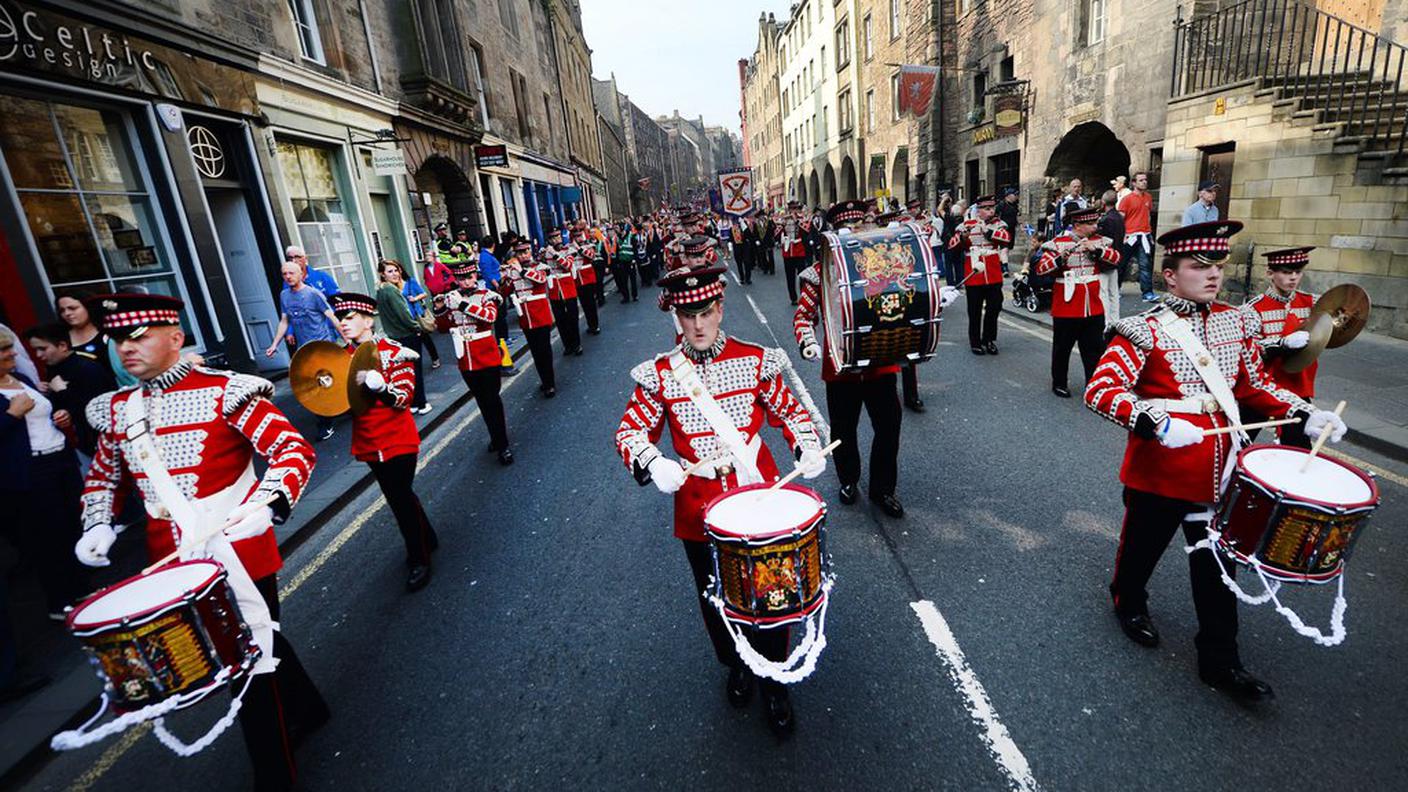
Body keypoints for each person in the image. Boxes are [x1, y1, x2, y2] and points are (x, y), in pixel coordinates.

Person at [1084, 221, 1347, 702]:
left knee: (1217, 572)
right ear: (1169, 276)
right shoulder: (1141, 330)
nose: (1212, 276)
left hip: (1220, 472)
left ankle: (1220, 661)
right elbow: (1101, 392)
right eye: (1198, 267)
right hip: (1162, 471)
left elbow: (1252, 386)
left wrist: (1306, 413)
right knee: (1141, 551)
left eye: (1218, 266)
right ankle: (1128, 602)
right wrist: (1154, 422)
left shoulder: (1236, 321)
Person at [74, 293, 329, 789]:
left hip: (237, 546)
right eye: (116, 340)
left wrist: (266, 504)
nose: (125, 348)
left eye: (138, 336)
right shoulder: (116, 411)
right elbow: (104, 478)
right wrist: (97, 522)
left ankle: (274, 776)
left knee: (249, 661)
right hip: (172, 558)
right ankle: (310, 708)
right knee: (258, 640)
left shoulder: (225, 390)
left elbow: (290, 449)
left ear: (175, 337)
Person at [615, 256, 825, 738]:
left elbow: (791, 413)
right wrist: (653, 461)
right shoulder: (662, 374)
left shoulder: (753, 359)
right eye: (688, 315)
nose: (698, 323)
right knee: (714, 596)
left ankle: (774, 680)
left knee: (771, 592)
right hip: (698, 507)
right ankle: (734, 662)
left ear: (720, 307)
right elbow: (629, 433)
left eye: (706, 311)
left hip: (758, 497)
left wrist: (807, 446)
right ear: (676, 316)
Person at [795, 201, 956, 518]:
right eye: (850, 228)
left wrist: (936, 302)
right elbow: (803, 316)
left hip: (881, 361)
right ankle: (848, 480)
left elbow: (912, 300)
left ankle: (883, 489)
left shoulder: (889, 263)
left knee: (888, 427)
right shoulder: (818, 273)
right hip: (840, 366)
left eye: (862, 226)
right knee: (843, 430)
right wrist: (808, 342)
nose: (859, 232)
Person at [329, 293, 439, 591]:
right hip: (368, 441)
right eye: (341, 318)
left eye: (349, 318)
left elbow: (404, 397)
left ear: (367, 320)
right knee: (398, 495)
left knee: (400, 497)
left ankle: (420, 558)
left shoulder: (392, 351)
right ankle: (427, 537)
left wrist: (381, 387)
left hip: (396, 438)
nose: (343, 323)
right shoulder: (341, 359)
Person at [1, 327, 90, 619]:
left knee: (73, 525)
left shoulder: (23, 379)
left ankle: (82, 590)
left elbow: (42, 417)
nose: (13, 353)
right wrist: (11, 415)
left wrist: (59, 417)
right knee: (47, 537)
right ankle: (59, 600)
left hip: (59, 460)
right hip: (31, 470)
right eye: (4, 350)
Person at [1034, 206, 1122, 398]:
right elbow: (1041, 269)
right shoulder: (1058, 243)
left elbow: (1116, 259)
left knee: (1094, 349)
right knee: (1062, 348)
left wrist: (1096, 251)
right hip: (1067, 306)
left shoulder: (1100, 242)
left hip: (1093, 305)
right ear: (1078, 225)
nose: (1095, 226)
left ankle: (1094, 384)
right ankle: (1059, 383)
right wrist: (1060, 258)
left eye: (1095, 222)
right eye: (1091, 224)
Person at [1239, 247, 1320, 449]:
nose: (1293, 278)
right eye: (1285, 272)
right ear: (1270, 274)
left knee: (1299, 447)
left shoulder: (1312, 302)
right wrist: (1281, 344)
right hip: (1262, 384)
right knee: (1238, 440)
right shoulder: (1253, 308)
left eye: (1298, 272)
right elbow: (1249, 348)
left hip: (1296, 383)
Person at [434, 261, 513, 465]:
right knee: (482, 402)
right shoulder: (454, 298)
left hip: (486, 358)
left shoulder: (487, 295)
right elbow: (443, 327)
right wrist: (440, 308)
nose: (466, 282)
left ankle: (503, 445)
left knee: (493, 402)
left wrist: (461, 303)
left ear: (475, 277)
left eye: (469, 277)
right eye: (461, 278)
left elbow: (489, 317)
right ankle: (495, 438)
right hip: (466, 361)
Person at [267, 260, 343, 440]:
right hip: (305, 350)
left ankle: (344, 406)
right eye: (284, 274)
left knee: (333, 380)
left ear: (301, 274)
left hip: (323, 345)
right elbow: (284, 321)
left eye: (291, 273)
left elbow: (331, 316)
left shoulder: (313, 294)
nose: (288, 277)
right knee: (315, 386)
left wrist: (346, 339)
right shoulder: (284, 295)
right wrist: (274, 344)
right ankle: (325, 422)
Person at [22, 323, 116, 457]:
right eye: (36, 350)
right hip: (80, 445)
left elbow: (97, 409)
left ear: (63, 346)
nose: (38, 355)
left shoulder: (88, 369)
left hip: (103, 446)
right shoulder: (53, 368)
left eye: (42, 349)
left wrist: (62, 392)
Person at [947, 195, 1013, 355]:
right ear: (979, 210)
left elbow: (1006, 240)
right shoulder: (967, 224)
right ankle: (975, 341)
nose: (991, 211)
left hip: (993, 272)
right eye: (987, 209)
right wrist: (963, 238)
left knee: (995, 307)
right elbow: (952, 245)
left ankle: (989, 339)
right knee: (974, 310)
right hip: (974, 273)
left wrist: (987, 231)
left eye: (992, 208)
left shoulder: (999, 224)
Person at [375, 260, 432, 415]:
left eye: (396, 270)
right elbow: (404, 315)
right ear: (382, 274)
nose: (395, 274)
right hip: (407, 335)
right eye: (390, 271)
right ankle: (422, 403)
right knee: (415, 370)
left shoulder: (380, 290)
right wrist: (417, 328)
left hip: (395, 336)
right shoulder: (391, 291)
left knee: (404, 371)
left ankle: (412, 403)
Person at [503, 244, 557, 397]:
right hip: (525, 317)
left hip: (540, 314)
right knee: (535, 351)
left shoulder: (540, 266)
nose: (523, 256)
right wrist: (505, 277)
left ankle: (549, 383)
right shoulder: (513, 270)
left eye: (525, 252)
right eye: (519, 253)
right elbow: (506, 292)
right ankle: (544, 380)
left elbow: (540, 280)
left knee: (544, 351)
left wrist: (521, 270)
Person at [1117, 172, 1157, 302]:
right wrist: (1122, 236)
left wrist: (1149, 231)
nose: (1144, 182)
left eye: (1145, 180)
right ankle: (1115, 290)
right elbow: (1121, 219)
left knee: (1145, 265)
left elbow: (1148, 215)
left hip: (1144, 235)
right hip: (1130, 237)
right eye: (1141, 180)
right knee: (1122, 264)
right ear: (1134, 183)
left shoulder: (1148, 198)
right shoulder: (1126, 199)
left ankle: (1147, 293)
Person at [1094, 190, 1127, 330]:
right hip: (1117, 258)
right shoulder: (1119, 217)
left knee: (1103, 293)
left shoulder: (1106, 220)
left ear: (1103, 202)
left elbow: (1102, 240)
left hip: (1105, 260)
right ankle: (1115, 321)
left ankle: (1106, 322)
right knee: (1114, 292)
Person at [400, 263, 442, 370]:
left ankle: (435, 358)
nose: (395, 274)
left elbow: (423, 293)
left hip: (416, 315)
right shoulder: (392, 287)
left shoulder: (410, 282)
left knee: (425, 338)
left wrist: (415, 299)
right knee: (412, 341)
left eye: (397, 270)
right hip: (405, 317)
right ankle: (414, 365)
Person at [544, 246, 584, 356]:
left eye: (557, 236)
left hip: (568, 288)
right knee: (560, 319)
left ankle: (577, 344)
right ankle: (567, 345)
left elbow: (568, 265)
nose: (556, 239)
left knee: (572, 317)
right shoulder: (546, 253)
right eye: (553, 238)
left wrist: (554, 254)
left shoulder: (568, 250)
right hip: (554, 289)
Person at [570, 229, 602, 335]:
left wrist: (579, 249)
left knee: (591, 303)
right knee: (584, 304)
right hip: (577, 280)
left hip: (588, 278)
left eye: (580, 236)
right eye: (576, 237)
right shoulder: (569, 248)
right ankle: (590, 324)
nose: (578, 238)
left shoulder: (589, 245)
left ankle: (595, 325)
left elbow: (592, 256)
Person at [779, 201, 811, 304]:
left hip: (799, 251)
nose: (794, 211)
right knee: (790, 277)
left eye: (796, 209)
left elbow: (807, 231)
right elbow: (776, 234)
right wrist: (781, 225)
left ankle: (803, 295)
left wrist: (797, 220)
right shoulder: (784, 220)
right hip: (788, 252)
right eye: (792, 209)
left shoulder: (802, 220)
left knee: (802, 275)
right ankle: (793, 298)